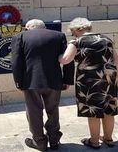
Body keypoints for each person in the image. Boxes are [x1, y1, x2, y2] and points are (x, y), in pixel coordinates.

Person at [11, 19, 75, 151]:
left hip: (31, 81)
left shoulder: (20, 37)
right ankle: (54, 140)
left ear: (27, 28)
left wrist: (18, 82)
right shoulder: (58, 36)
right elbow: (68, 59)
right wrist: (67, 80)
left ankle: (39, 141)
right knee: (53, 110)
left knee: (34, 111)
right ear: (44, 27)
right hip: (54, 80)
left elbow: (16, 62)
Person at [59, 17, 118, 149]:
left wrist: (56, 56)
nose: (72, 34)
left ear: (78, 29)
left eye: (73, 31)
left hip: (89, 82)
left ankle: (94, 141)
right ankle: (108, 139)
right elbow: (116, 61)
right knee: (109, 109)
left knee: (93, 111)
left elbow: (65, 60)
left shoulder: (77, 41)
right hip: (109, 79)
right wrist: (115, 78)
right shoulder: (106, 39)